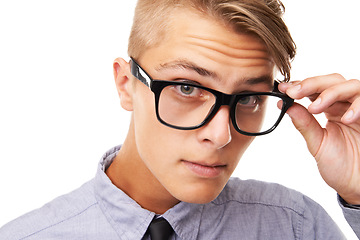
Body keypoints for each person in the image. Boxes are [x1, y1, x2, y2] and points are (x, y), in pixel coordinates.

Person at [1, 0, 360, 239]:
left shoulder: (296, 227)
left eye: (249, 97)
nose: (221, 134)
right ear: (126, 85)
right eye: (188, 88)